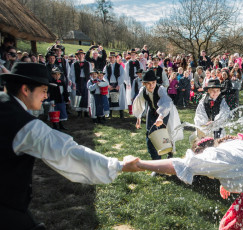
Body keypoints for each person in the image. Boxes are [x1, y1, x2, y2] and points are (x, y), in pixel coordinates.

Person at [0, 62, 139, 230]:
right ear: (25, 89)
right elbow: (68, 153)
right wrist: (119, 165)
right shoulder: (25, 126)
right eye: (43, 91)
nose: (45, 96)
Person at [132, 70, 183, 161]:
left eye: (153, 83)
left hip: (165, 111)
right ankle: (156, 161)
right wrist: (138, 118)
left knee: (164, 134)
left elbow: (166, 103)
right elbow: (138, 104)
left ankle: (169, 152)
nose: (151, 85)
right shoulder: (142, 91)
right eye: (148, 83)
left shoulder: (161, 89)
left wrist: (161, 117)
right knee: (150, 134)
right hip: (152, 111)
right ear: (144, 83)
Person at [103, 52, 128, 118]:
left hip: (118, 84)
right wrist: (107, 84)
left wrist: (119, 84)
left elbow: (122, 75)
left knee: (119, 98)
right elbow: (104, 76)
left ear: (115, 58)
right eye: (110, 58)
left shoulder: (119, 66)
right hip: (110, 84)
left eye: (113, 57)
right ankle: (109, 113)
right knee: (110, 98)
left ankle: (121, 113)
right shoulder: (106, 67)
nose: (112, 59)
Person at [69, 49, 92, 117]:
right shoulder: (74, 64)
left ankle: (85, 111)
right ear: (77, 56)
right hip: (78, 81)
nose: (81, 56)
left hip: (86, 80)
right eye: (79, 55)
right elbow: (72, 74)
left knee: (86, 95)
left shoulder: (88, 64)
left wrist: (90, 81)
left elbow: (91, 73)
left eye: (82, 54)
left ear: (84, 55)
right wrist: (73, 83)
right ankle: (79, 111)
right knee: (78, 96)